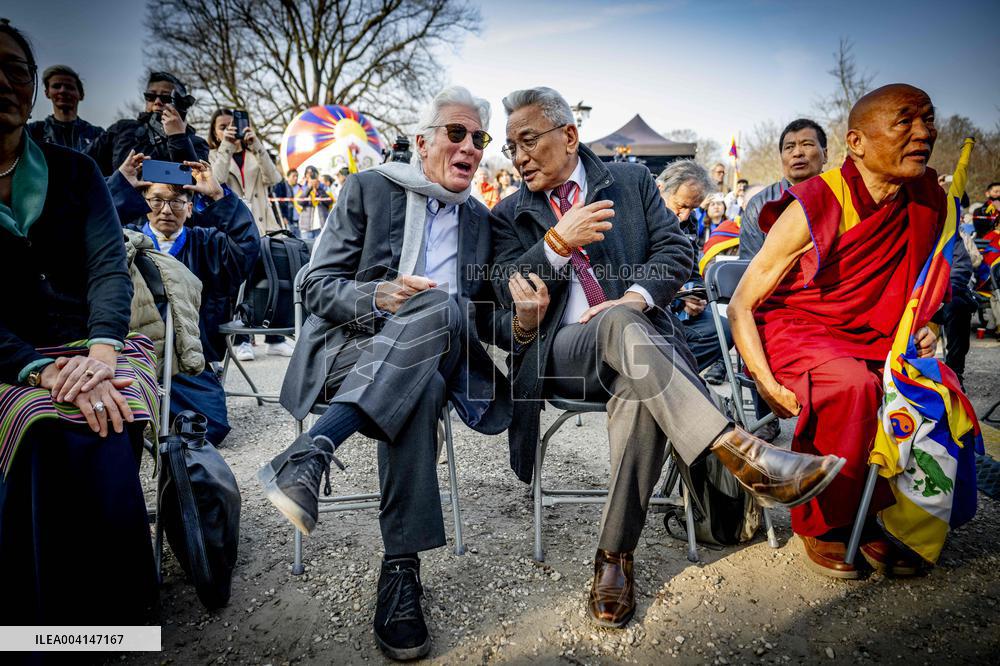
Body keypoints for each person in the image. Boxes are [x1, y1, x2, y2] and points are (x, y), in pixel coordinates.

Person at [491, 87, 844, 629]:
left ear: (569, 135)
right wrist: (555, 247)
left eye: (528, 140)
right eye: (511, 146)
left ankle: (614, 557)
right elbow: (495, 291)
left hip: (639, 351)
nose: (518, 157)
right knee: (615, 325)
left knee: (637, 378)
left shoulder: (630, 182)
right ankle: (736, 448)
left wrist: (636, 296)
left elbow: (677, 250)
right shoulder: (510, 212)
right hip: (561, 353)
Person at [263, 86, 526, 661]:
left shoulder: (479, 220)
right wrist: (379, 296)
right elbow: (314, 286)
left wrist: (524, 320)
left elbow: (488, 318)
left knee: (435, 307)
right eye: (457, 133)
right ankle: (400, 569)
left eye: (479, 138)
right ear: (423, 141)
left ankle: (313, 449)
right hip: (354, 350)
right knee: (421, 381)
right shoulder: (370, 189)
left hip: (446, 344)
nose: (471, 147)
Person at [729, 84, 947, 579]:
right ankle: (825, 521)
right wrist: (764, 380)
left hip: (877, 333)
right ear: (856, 142)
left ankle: (878, 512)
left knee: (932, 392)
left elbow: (916, 282)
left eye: (928, 120)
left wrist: (926, 322)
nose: (923, 133)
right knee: (853, 386)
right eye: (905, 121)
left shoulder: (927, 200)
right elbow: (742, 302)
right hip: (798, 329)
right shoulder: (818, 201)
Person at [0, 21, 158, 625]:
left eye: (16, 69)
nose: (4, 82)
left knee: (111, 414)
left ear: (32, 86)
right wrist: (37, 369)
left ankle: (115, 620)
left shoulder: (76, 172)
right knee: (41, 426)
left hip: (97, 343)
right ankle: (35, 619)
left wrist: (99, 357)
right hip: (10, 355)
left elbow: (108, 271)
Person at [110, 154, 260, 445]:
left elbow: (247, 246)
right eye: (156, 200)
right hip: (130, 355)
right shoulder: (122, 241)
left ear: (189, 209)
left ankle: (155, 409)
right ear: (144, 204)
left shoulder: (208, 243)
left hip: (187, 358)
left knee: (210, 428)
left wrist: (217, 194)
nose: (166, 210)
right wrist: (119, 187)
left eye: (176, 202)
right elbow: (80, 229)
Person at [208, 108, 293, 360]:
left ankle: (275, 338)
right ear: (214, 131)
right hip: (233, 228)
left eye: (233, 125)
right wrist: (226, 145)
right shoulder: (214, 154)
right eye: (222, 126)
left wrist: (257, 146)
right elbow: (215, 180)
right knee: (240, 284)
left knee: (270, 279)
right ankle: (243, 338)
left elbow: (274, 177)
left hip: (263, 225)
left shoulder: (254, 154)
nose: (229, 130)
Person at [656, 160, 731, 381]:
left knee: (724, 329)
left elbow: (694, 271)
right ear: (660, 190)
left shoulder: (688, 222)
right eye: (680, 206)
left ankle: (673, 382)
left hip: (679, 312)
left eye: (693, 208)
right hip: (648, 311)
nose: (685, 215)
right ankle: (663, 385)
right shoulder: (638, 216)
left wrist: (696, 294)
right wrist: (679, 298)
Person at [87, 71, 209, 176]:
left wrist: (177, 137)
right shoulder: (121, 129)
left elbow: (197, 180)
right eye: (150, 96)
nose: (157, 102)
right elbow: (83, 165)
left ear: (182, 104)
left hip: (173, 203)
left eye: (166, 98)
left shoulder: (196, 143)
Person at [740, 118, 828, 259]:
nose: (797, 153)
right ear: (781, 157)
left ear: (825, 155)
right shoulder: (758, 205)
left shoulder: (841, 194)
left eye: (807, 144)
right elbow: (749, 264)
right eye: (789, 147)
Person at [26, 64, 103, 152]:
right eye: (56, 86)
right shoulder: (33, 132)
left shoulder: (98, 134)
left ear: (81, 95)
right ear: (47, 93)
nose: (62, 91)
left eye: (70, 87)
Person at [297, 164, 330, 239]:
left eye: (313, 175)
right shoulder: (301, 188)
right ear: (305, 176)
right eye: (308, 175)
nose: (311, 177)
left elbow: (329, 201)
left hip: (321, 226)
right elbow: (300, 202)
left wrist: (319, 189)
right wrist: (309, 188)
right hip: (306, 227)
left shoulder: (324, 187)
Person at [272, 167, 300, 237]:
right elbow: (279, 203)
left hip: (297, 219)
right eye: (293, 176)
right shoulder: (282, 186)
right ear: (288, 177)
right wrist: (283, 216)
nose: (296, 178)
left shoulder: (299, 187)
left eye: (297, 176)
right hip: (287, 219)